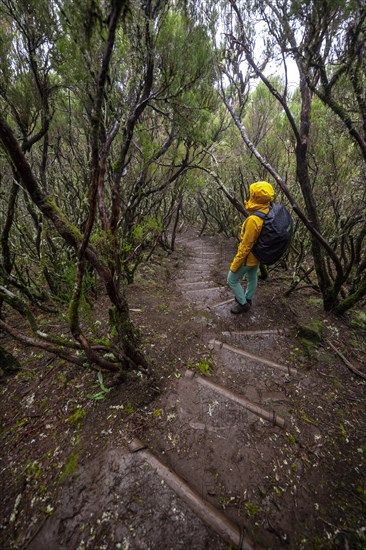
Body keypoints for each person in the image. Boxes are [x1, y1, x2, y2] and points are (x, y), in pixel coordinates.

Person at [227, 181, 275, 314]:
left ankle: (243, 304)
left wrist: (235, 264)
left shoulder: (253, 220)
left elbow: (245, 246)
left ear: (255, 197)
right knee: (252, 277)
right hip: (259, 255)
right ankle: (248, 298)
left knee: (231, 279)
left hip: (249, 257)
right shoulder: (268, 211)